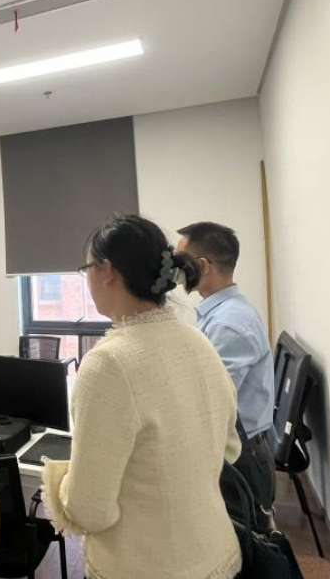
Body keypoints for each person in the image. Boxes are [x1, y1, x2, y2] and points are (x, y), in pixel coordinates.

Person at [42, 214, 242, 579]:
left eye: (86, 269)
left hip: (145, 565)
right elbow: (230, 448)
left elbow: (89, 509)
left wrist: (60, 481)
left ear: (106, 271)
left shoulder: (107, 363)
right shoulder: (199, 342)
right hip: (217, 554)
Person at [176, 221, 276, 522]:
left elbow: (210, 402)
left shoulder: (227, 324)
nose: (175, 270)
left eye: (180, 261)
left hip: (240, 457)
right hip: (238, 447)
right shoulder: (224, 313)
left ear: (202, 265)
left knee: (241, 542)